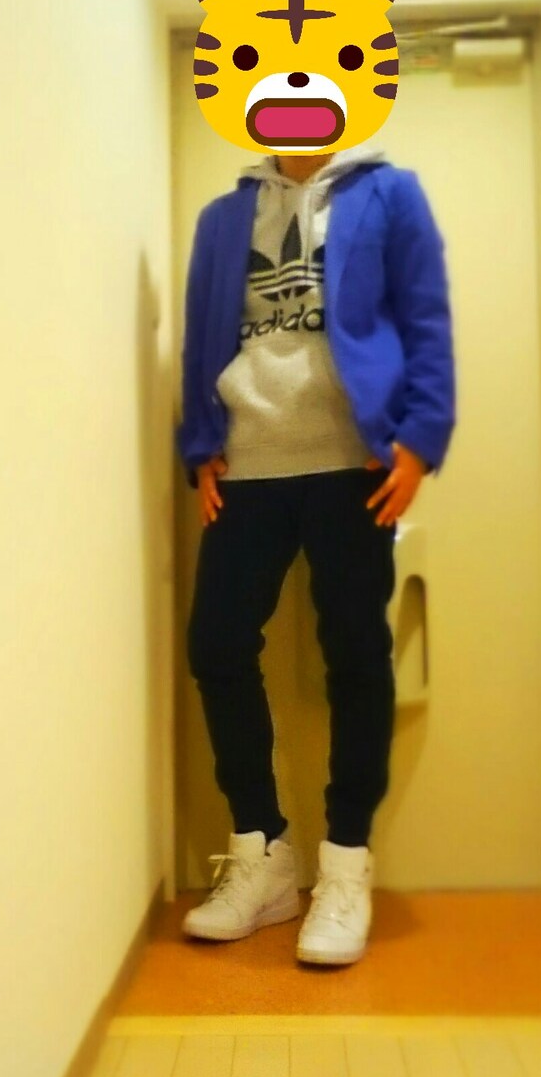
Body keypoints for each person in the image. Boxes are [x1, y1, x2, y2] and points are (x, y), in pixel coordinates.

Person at [175, 138, 455, 965]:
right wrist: (199, 447)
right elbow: (200, 341)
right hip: (249, 463)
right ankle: (263, 854)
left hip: (351, 461)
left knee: (357, 655)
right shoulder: (223, 218)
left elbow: (425, 318)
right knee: (217, 646)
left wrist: (420, 439)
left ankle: (344, 865)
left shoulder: (390, 194)